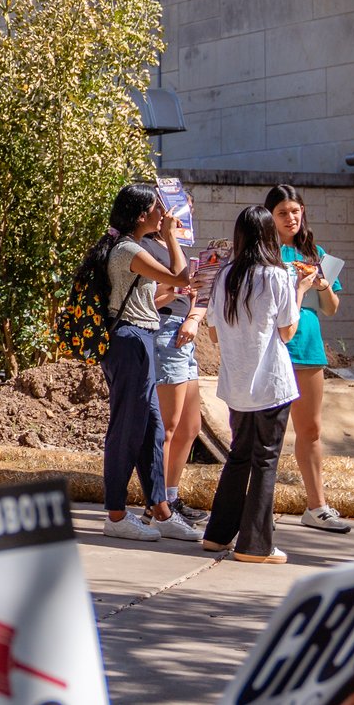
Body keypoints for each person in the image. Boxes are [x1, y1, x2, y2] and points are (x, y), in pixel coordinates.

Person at [74, 183, 200, 542]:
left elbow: (160, 292)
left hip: (139, 337)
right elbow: (180, 275)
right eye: (158, 209)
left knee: (152, 430)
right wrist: (171, 238)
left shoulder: (125, 247)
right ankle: (115, 514)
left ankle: (160, 510)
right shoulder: (128, 248)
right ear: (143, 215)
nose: (164, 214)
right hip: (130, 341)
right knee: (127, 428)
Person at [202, 206, 317, 563]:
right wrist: (300, 291)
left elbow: (213, 333)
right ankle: (256, 545)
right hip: (270, 382)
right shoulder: (278, 276)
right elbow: (287, 331)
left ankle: (218, 534)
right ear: (269, 236)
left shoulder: (224, 276)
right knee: (265, 460)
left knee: (239, 456)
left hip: (236, 382)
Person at [264, 184, 350, 534]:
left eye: (296, 211)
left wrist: (323, 286)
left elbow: (331, 308)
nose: (291, 218)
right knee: (269, 432)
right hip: (274, 348)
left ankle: (316, 506)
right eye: (283, 212)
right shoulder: (264, 253)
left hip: (309, 349)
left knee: (311, 429)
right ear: (270, 216)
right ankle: (258, 508)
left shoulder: (316, 252)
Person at [143, 196, 208, 524]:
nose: (185, 216)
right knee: (166, 426)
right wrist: (179, 286)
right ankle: (156, 505)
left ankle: (169, 496)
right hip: (163, 331)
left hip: (185, 334)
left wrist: (194, 316)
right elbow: (149, 299)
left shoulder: (182, 246)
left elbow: (200, 294)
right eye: (178, 209)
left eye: (189, 210)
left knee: (190, 426)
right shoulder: (147, 247)